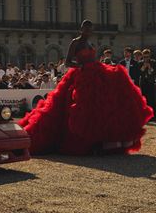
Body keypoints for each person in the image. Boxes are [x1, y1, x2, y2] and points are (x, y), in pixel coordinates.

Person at [19, 20, 153, 155]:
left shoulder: (90, 43)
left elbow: (92, 59)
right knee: (82, 107)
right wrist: (81, 66)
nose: (88, 31)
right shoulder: (76, 42)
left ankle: (105, 140)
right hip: (82, 75)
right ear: (81, 29)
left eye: (90, 29)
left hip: (94, 72)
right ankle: (90, 141)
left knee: (110, 94)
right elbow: (68, 61)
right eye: (86, 29)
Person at [138, 49, 156, 119]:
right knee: (144, 100)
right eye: (145, 57)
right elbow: (138, 73)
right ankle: (145, 115)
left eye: (147, 57)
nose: (146, 58)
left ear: (150, 56)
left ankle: (152, 116)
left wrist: (149, 67)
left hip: (151, 83)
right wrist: (143, 67)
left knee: (151, 99)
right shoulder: (140, 63)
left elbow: (154, 72)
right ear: (142, 56)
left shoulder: (154, 62)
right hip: (143, 83)